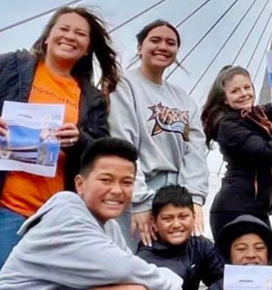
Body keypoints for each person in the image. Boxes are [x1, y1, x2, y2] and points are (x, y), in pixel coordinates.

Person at [0, 6, 118, 267]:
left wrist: (80, 140)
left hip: (54, 218)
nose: (70, 36)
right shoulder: (11, 66)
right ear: (47, 36)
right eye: (63, 29)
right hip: (7, 208)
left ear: (87, 48)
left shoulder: (91, 97)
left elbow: (103, 154)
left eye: (80, 33)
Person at [0, 137, 182, 290]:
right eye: (106, 180)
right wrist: (173, 283)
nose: (117, 190)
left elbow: (129, 269)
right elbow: (123, 269)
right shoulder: (67, 217)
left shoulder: (109, 225)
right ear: (80, 184)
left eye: (126, 182)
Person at [109, 20, 209, 249]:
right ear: (139, 48)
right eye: (155, 40)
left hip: (177, 195)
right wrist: (140, 202)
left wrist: (193, 199)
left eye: (170, 43)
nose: (163, 46)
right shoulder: (124, 85)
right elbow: (122, 142)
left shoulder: (184, 99)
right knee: (135, 260)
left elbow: (196, 153)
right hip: (138, 190)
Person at [201, 53, 272, 237]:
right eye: (235, 91)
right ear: (225, 99)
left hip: (257, 210)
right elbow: (269, 154)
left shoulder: (254, 114)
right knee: (246, 266)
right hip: (235, 209)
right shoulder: (228, 125)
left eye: (247, 87)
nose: (244, 94)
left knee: (264, 264)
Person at [136, 185, 224, 290]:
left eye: (183, 217)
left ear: (194, 218)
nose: (176, 224)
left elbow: (224, 280)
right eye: (167, 219)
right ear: (154, 223)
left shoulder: (200, 246)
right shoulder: (144, 260)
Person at [215, 214, 272, 290]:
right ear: (228, 254)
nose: (251, 255)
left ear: (269, 253)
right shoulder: (218, 288)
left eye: (259, 248)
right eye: (241, 249)